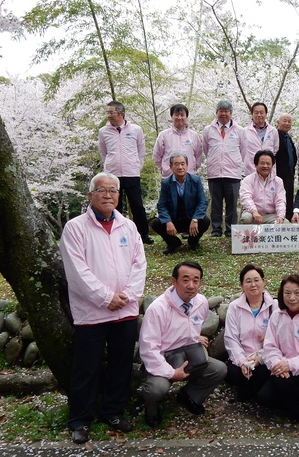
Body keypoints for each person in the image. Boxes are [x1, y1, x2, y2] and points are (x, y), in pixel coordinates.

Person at [59, 172, 147, 444]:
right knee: (86, 367)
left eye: (113, 190)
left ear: (119, 196)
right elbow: (77, 271)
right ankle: (80, 419)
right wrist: (106, 297)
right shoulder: (75, 228)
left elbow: (139, 264)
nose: (108, 195)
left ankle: (113, 411)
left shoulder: (129, 227)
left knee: (121, 363)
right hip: (92, 312)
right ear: (90, 195)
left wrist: (129, 295)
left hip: (125, 310)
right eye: (102, 190)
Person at [139, 261, 228, 428]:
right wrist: (171, 373)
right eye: (185, 280)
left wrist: (195, 337)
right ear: (174, 281)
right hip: (163, 357)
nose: (191, 286)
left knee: (219, 369)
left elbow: (191, 324)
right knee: (156, 388)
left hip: (188, 355)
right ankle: (151, 409)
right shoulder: (158, 309)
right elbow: (149, 349)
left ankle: (189, 396)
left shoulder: (200, 302)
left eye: (196, 280)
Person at [258, 274, 299, 422]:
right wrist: (278, 364)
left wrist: (290, 365)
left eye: (297, 293)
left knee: (280, 384)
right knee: (264, 398)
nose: (292, 298)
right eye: (287, 293)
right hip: (280, 367)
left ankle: (298, 408)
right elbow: (270, 346)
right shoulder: (277, 316)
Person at [98, 100, 153, 244]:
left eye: (112, 112)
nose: (109, 115)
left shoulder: (136, 129)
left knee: (137, 205)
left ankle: (143, 235)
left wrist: (136, 166)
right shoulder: (103, 131)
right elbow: (103, 153)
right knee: (114, 205)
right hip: (112, 175)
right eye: (108, 112)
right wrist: (108, 167)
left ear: (121, 114)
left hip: (132, 173)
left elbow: (141, 151)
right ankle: (114, 233)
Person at [224, 264, 278, 400]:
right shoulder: (234, 307)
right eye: (248, 281)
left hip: (265, 357)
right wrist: (243, 361)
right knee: (232, 373)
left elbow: (278, 340)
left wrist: (260, 357)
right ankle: (248, 388)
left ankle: (254, 390)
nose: (253, 284)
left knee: (263, 372)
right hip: (242, 357)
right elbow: (231, 339)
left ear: (263, 282)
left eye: (256, 280)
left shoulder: (275, 306)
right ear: (242, 286)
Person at [202, 100, 247, 237]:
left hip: (233, 173)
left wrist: (235, 163)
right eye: (221, 111)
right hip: (214, 173)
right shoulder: (208, 130)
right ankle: (216, 230)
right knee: (216, 203)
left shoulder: (240, 130)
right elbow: (206, 149)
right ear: (216, 113)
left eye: (226, 111)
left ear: (231, 114)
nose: (223, 114)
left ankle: (230, 230)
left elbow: (243, 151)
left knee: (232, 204)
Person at [151, 153, 210, 254]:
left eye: (183, 164)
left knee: (205, 221)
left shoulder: (195, 181)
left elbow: (202, 202)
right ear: (171, 167)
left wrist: (195, 219)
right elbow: (162, 205)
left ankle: (193, 241)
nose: (180, 167)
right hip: (174, 220)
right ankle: (173, 243)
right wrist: (168, 221)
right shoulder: (166, 183)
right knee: (156, 223)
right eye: (176, 164)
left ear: (187, 166)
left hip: (191, 219)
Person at [152, 104, 202, 179]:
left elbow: (199, 155)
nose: (179, 118)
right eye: (176, 115)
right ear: (171, 116)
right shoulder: (163, 135)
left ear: (186, 117)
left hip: (189, 176)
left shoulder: (193, 135)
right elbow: (157, 155)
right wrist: (165, 168)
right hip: (169, 176)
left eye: (182, 115)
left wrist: (193, 168)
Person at [239, 150, 287, 224]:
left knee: (286, 224)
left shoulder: (278, 181)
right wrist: (254, 212)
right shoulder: (248, 180)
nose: (265, 166)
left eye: (268, 164)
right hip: (252, 214)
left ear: (272, 165)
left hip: (271, 215)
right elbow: (246, 197)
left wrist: (280, 216)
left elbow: (280, 200)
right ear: (256, 164)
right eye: (262, 163)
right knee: (246, 219)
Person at [243, 102, 279, 176]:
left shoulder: (273, 131)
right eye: (256, 113)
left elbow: (275, 149)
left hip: (269, 171)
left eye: (261, 112)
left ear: (266, 114)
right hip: (251, 171)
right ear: (252, 114)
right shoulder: (244, 131)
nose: (259, 115)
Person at [275, 113, 298, 213]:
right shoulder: (275, 135)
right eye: (284, 121)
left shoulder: (288, 137)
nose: (287, 123)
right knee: (280, 199)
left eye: (289, 121)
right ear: (278, 122)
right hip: (278, 173)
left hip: (289, 173)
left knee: (289, 198)